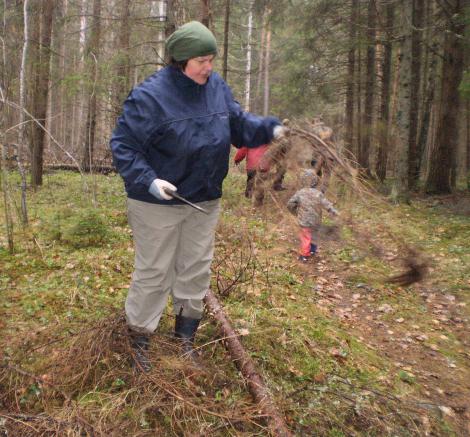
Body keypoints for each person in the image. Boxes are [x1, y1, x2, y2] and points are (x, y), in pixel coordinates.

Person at [110, 21, 288, 372]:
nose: (209, 67)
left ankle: (185, 339)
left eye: (211, 59)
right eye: (201, 61)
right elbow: (123, 146)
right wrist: (148, 180)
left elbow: (238, 125)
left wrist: (271, 128)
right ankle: (139, 341)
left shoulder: (216, 87)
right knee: (154, 271)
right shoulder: (149, 97)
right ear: (180, 60)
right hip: (157, 201)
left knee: (195, 269)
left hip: (203, 199)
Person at [287, 169, 338, 263]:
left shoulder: (300, 193)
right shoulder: (318, 194)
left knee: (305, 237)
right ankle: (313, 251)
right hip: (316, 221)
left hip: (304, 221)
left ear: (302, 181)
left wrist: (294, 211)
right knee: (314, 236)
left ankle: (304, 255)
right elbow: (327, 204)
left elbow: (290, 204)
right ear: (316, 181)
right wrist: (333, 211)